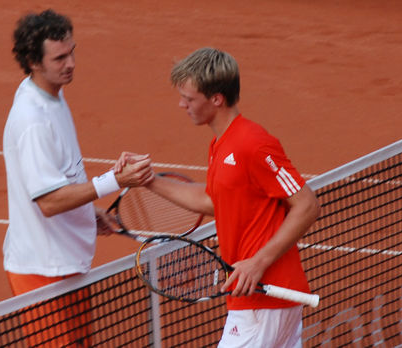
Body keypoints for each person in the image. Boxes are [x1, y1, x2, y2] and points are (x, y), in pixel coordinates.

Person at [117, 47, 320, 347]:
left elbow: (307, 204)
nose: (181, 104)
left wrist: (257, 262)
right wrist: (149, 180)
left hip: (263, 296)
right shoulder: (220, 145)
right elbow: (213, 202)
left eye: (189, 98)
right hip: (260, 299)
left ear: (216, 99)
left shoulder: (253, 144)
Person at [2, 9, 153, 347]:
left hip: (66, 263)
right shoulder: (32, 120)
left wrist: (87, 212)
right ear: (34, 61)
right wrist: (115, 180)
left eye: (72, 52)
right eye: (59, 57)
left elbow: (60, 178)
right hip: (43, 271)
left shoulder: (53, 95)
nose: (70, 63)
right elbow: (49, 201)